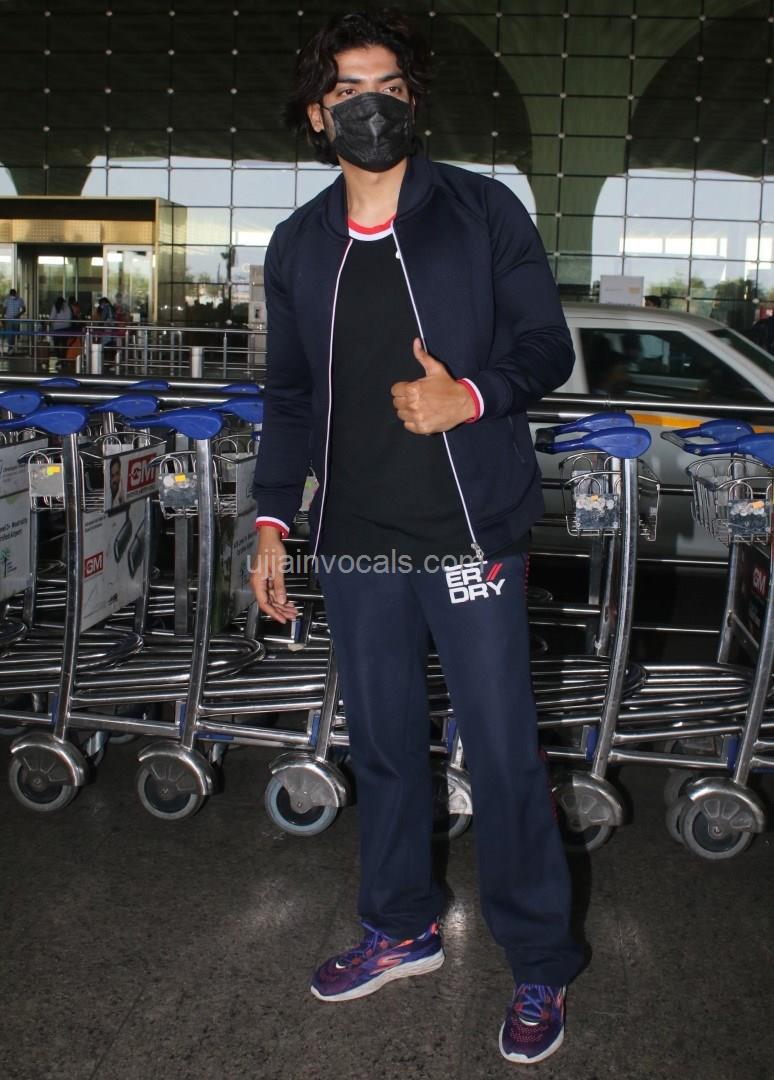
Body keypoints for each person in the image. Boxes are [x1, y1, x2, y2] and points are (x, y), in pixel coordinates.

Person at [250, 10, 583, 1067]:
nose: (372, 105)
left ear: (413, 99)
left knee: (503, 749)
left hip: (468, 532)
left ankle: (540, 960)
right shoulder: (298, 244)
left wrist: (469, 398)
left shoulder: (480, 211)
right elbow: (289, 398)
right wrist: (271, 523)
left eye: (389, 86)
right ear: (317, 115)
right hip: (356, 538)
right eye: (348, 91)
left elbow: (546, 346)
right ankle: (400, 928)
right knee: (386, 744)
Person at [2, 288, 26, 354]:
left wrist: (18, 315)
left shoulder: (20, 300)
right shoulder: (7, 300)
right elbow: (4, 309)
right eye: (11, 295)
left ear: (15, 294)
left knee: (14, 334)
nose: (12, 296)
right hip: (9, 319)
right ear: (10, 294)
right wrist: (2, 319)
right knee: (10, 334)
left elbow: (24, 309)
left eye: (13, 295)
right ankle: (10, 349)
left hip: (16, 319)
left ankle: (12, 348)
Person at [49, 295, 71, 362]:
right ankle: (64, 358)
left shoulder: (56, 306)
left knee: (56, 344)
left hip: (57, 328)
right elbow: (69, 317)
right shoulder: (67, 307)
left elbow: (52, 317)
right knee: (64, 344)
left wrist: (49, 323)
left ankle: (59, 358)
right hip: (66, 328)